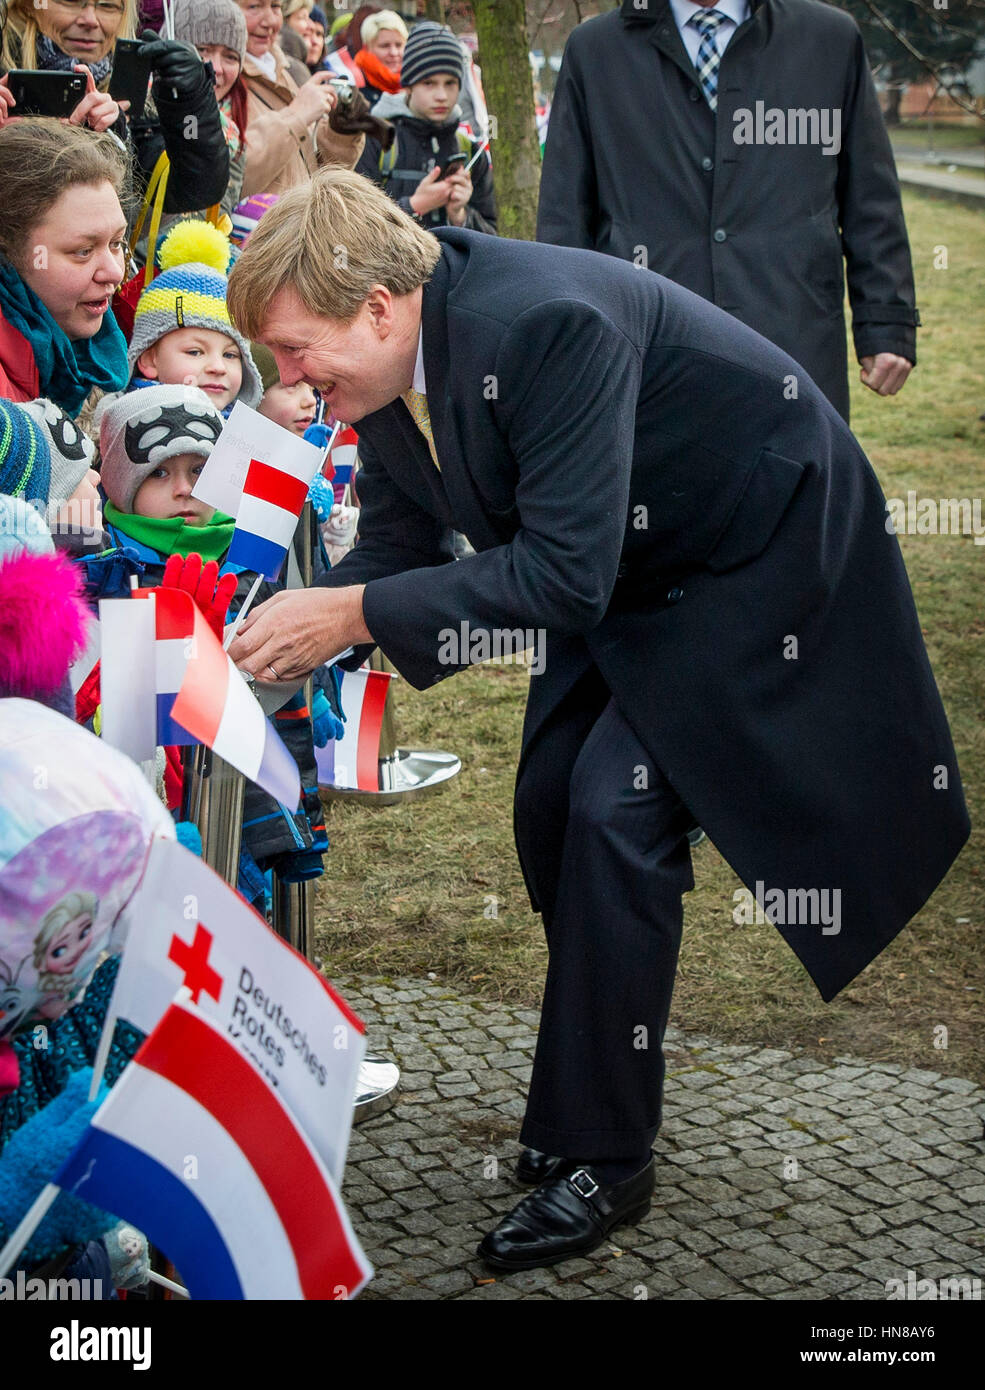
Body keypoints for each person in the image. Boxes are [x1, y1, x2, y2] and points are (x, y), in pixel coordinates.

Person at [225, 169, 969, 1270]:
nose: (287, 381)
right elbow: (397, 548)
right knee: (546, 806)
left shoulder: (542, 325)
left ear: (374, 307)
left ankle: (605, 1157)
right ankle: (587, 1100)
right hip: (629, 566)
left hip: (756, 547)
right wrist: (301, 622)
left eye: (293, 351)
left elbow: (565, 577)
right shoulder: (381, 374)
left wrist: (349, 613)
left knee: (613, 814)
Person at [536, 0, 919, 423]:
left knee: (798, 484)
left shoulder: (830, 39)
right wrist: (563, 338)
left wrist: (886, 321)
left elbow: (870, 196)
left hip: (795, 347)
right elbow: (564, 214)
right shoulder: (595, 51)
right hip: (650, 358)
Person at [95, 384, 329, 910]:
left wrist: (314, 693)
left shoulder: (250, 558)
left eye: (199, 471)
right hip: (158, 796)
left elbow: (290, 673)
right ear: (119, 484)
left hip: (250, 791)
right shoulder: (108, 570)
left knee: (243, 916)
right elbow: (114, 708)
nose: (183, 491)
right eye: (159, 472)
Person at [0, 0, 231, 218]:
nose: (90, 19)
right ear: (28, 5)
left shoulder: (132, 93)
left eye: (108, 5)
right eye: (70, 1)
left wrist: (190, 103)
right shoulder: (4, 81)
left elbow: (194, 190)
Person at [0, 120, 130, 415]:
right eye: (83, 252)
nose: (114, 273)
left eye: (117, 243)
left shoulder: (94, 361)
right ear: (8, 252)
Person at [356, 20, 496, 234]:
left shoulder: (470, 152)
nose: (441, 96)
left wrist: (460, 216)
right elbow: (354, 230)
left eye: (450, 83)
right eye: (429, 83)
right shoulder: (374, 142)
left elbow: (491, 244)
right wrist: (414, 206)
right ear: (409, 85)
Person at [122, 219, 263, 412]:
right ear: (148, 358)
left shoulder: (237, 428)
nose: (218, 367)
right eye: (195, 352)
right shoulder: (131, 419)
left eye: (230, 354)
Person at [235, 0, 364, 195]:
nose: (270, 21)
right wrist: (297, 115)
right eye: (254, 7)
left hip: (297, 224)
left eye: (275, 7)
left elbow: (321, 173)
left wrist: (340, 132)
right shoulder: (219, 78)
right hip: (257, 225)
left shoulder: (285, 70)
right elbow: (230, 180)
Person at [173, 0, 252, 220]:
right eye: (203, 50)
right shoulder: (142, 116)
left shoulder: (231, 133)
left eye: (230, 56)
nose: (215, 68)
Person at [352, 8, 404, 105]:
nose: (394, 53)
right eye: (385, 46)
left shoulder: (416, 82)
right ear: (367, 48)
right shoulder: (354, 84)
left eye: (399, 45)